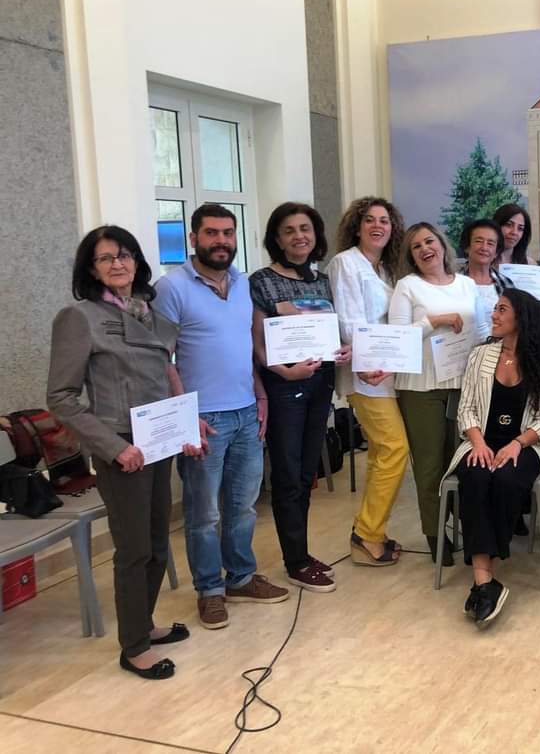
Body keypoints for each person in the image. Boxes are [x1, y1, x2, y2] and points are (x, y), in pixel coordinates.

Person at [47, 226, 190, 679]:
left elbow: (163, 374)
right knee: (134, 550)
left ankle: (142, 623)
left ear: (137, 262)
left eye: (125, 255)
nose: (117, 264)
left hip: (158, 440)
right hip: (122, 448)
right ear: (91, 269)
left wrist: (187, 424)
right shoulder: (80, 317)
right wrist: (113, 447)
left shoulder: (147, 310)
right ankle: (134, 647)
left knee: (157, 543)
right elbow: (61, 397)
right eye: (106, 257)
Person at [155, 204, 289, 632]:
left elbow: (244, 346)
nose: (221, 241)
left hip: (246, 411)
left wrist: (261, 392)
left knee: (243, 506)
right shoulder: (171, 287)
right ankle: (210, 589)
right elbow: (160, 358)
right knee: (203, 514)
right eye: (211, 233)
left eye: (228, 233)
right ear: (193, 238)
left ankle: (241, 578)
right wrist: (184, 413)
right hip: (203, 417)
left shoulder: (242, 283)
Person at [250, 203, 351, 593]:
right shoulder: (261, 282)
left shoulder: (321, 281)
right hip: (285, 386)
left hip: (320, 382)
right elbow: (258, 344)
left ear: (315, 234)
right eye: (289, 230)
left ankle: (301, 553)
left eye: (305, 228)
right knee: (289, 474)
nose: (299, 236)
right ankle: (295, 562)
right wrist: (284, 372)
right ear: (277, 239)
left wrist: (341, 349)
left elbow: (327, 331)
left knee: (308, 473)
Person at [445, 289, 540, 625]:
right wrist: (478, 443)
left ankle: (485, 580)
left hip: (523, 444)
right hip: (480, 440)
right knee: (476, 476)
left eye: (502, 309)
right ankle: (485, 579)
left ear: (521, 317)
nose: (494, 315)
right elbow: (466, 408)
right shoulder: (480, 356)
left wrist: (517, 445)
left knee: (507, 479)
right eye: (495, 309)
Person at [389, 222, 481, 564]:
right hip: (421, 388)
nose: (425, 249)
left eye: (429, 241)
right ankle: (435, 534)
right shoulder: (407, 286)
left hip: (463, 385)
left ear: (442, 245)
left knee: (463, 462)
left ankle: (469, 527)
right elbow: (398, 339)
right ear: (411, 256)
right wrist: (435, 321)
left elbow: (481, 331)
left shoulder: (467, 284)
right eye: (416, 247)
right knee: (430, 466)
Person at [325, 196, 409, 567]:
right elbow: (348, 320)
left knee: (379, 453)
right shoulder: (345, 263)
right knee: (394, 447)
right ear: (356, 227)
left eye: (384, 220)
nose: (378, 226)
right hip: (365, 373)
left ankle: (371, 530)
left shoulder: (388, 269)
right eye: (370, 220)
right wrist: (367, 358)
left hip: (388, 370)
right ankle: (366, 533)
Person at [460, 218, 513, 341]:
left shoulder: (506, 284)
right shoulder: (453, 282)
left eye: (490, 243)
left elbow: (515, 322)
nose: (484, 247)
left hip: (499, 349)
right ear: (467, 247)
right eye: (478, 241)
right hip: (460, 348)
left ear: (496, 252)